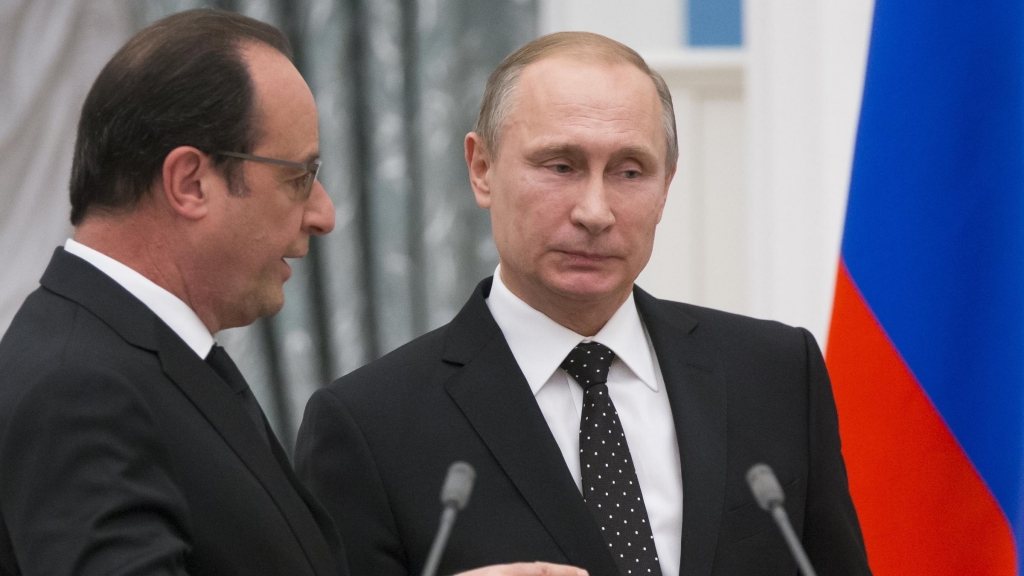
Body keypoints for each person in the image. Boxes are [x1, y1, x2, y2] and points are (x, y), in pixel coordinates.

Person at [0, 10, 584, 576]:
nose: (325, 214)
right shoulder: (76, 387)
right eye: (299, 177)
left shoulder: (141, 356)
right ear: (190, 182)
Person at [295, 31, 873, 576]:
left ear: (666, 186)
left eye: (629, 171)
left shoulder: (774, 374)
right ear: (482, 169)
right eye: (561, 167)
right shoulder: (369, 426)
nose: (595, 211)